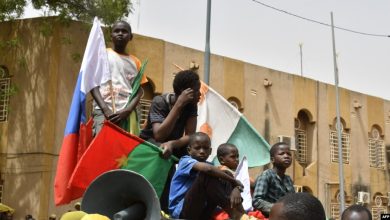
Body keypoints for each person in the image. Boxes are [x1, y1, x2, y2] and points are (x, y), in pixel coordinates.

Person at [140, 69, 200, 212]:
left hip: (174, 145)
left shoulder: (192, 105)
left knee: (195, 158)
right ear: (185, 92)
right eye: (197, 90)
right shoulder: (159, 101)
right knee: (162, 150)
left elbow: (191, 135)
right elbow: (159, 135)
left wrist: (173, 143)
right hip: (150, 145)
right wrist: (178, 105)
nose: (200, 94)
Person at [168, 132, 245, 220]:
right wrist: (234, 181)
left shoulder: (210, 165)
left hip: (202, 211)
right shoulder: (185, 161)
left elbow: (218, 173)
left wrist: (236, 187)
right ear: (189, 150)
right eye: (197, 148)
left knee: (226, 174)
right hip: (181, 211)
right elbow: (208, 170)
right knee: (208, 174)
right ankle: (234, 214)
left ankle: (242, 214)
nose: (202, 151)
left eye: (205, 148)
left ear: (210, 151)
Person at [91, 20, 147, 136]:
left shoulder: (135, 62)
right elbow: (93, 84)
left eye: (124, 31)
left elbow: (139, 91)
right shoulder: (102, 55)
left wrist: (127, 110)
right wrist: (105, 109)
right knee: (101, 148)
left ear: (130, 37)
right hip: (103, 112)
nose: (120, 33)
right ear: (111, 35)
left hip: (126, 115)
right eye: (116, 31)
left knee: (122, 152)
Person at [252, 142, 295, 217]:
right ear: (272, 159)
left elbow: (292, 201)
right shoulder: (266, 175)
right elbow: (257, 201)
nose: (286, 156)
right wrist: (280, 210)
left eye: (289, 154)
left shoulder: (288, 179)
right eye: (282, 154)